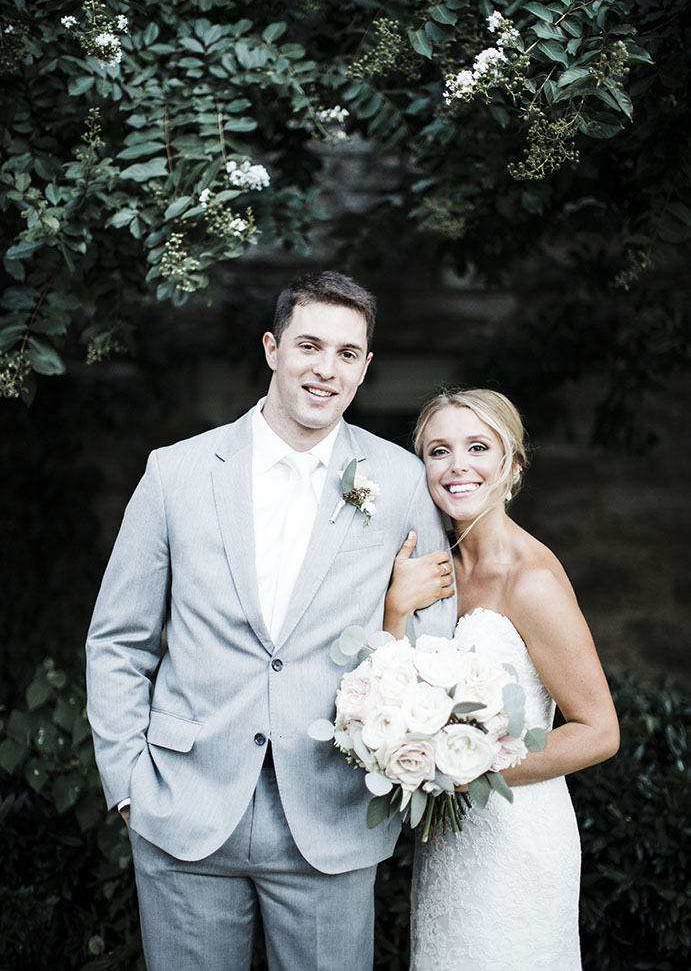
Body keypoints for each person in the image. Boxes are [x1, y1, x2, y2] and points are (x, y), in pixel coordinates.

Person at [85, 271, 456, 971]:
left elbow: (434, 640)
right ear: (271, 348)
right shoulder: (176, 472)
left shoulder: (399, 477)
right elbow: (118, 639)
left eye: (347, 353)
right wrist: (128, 784)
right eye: (309, 345)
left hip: (332, 810)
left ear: (366, 365)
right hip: (182, 809)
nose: (325, 368)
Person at [383, 388, 619, 971]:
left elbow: (598, 731)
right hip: (447, 842)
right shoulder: (427, 565)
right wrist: (393, 609)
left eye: (477, 447)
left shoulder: (531, 579)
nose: (457, 465)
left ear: (511, 466)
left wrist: (469, 764)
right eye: (439, 450)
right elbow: (386, 680)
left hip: (519, 837)